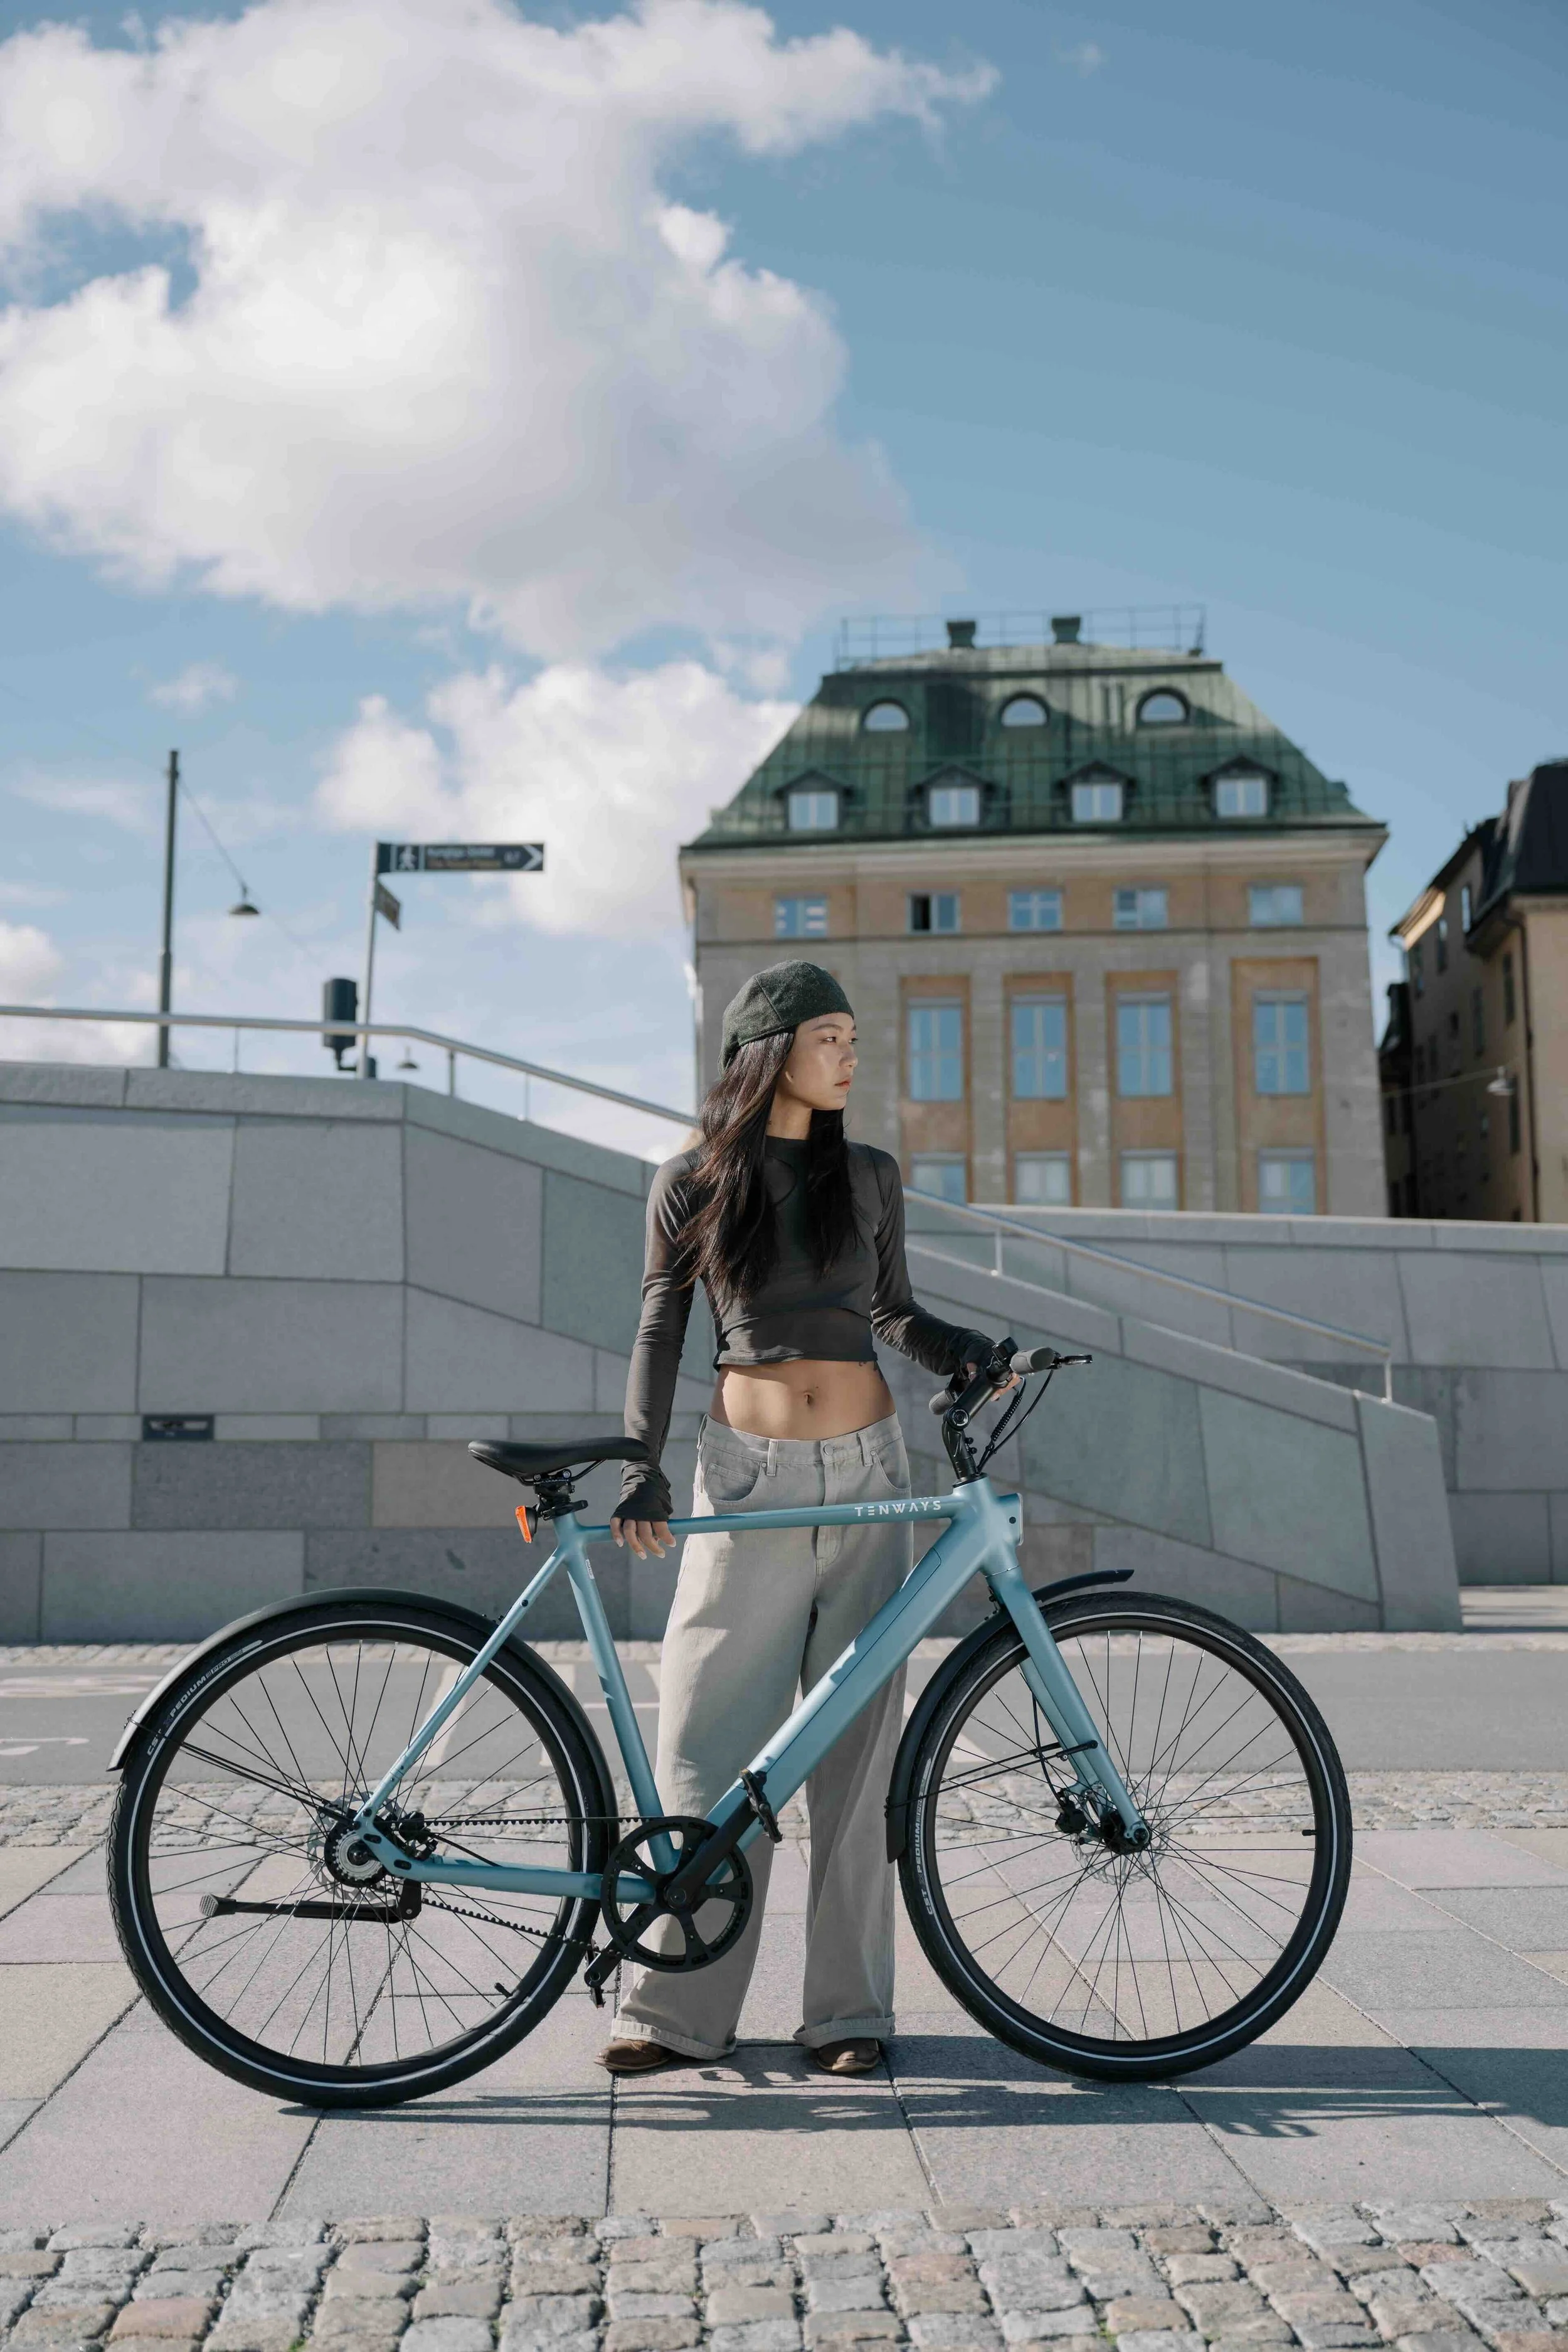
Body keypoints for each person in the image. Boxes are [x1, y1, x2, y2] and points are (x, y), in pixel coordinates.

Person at [600, 958, 1003, 2079]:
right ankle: (674, 2012)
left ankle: (847, 2013)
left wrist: (965, 1350)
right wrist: (642, 1466)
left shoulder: (868, 1173)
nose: (852, 1053)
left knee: (858, 1756)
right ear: (769, 1049)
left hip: (872, 1475)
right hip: (747, 1482)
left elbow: (893, 1312)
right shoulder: (691, 1179)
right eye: (832, 1034)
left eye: (854, 1034)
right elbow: (659, 1327)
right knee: (705, 1742)